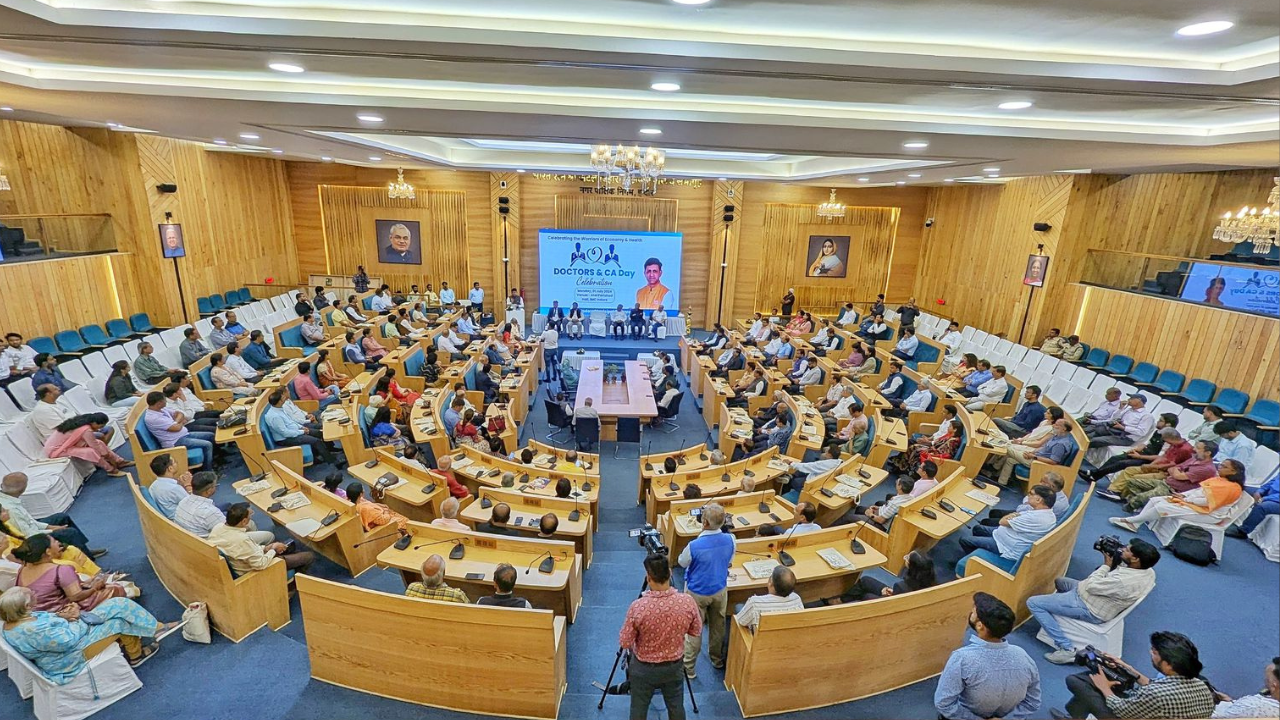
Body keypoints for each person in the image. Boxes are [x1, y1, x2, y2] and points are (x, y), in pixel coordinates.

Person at [1028, 538, 1161, 664]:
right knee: (1060, 582)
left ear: (1135, 559)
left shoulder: (1122, 582)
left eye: (1127, 550)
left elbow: (1091, 586)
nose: (1122, 549)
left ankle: (1066, 649)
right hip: (1096, 596)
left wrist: (1106, 565)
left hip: (1089, 607)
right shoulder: (1148, 571)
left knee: (1034, 603)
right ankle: (1059, 612)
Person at [1, 586, 179, 677]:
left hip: (70, 634)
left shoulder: (17, 619)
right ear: (25, 606)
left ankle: (155, 628)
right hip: (69, 656)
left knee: (117, 604)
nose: (34, 593)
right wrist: (77, 617)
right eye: (31, 594)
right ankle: (137, 655)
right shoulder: (30, 629)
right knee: (117, 622)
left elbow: (52, 629)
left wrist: (65, 616)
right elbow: (67, 642)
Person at [619, 553, 702, 720]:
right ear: (670, 573)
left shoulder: (638, 607)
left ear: (648, 578)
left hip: (643, 669)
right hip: (674, 667)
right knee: (676, 706)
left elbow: (625, 642)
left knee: (638, 709)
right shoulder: (687, 602)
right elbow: (696, 631)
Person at [934, 592, 1040, 720]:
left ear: (980, 626)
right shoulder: (1023, 655)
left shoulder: (961, 658)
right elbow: (1033, 702)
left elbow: (944, 704)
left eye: (973, 612)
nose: (971, 613)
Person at [1062, 631, 1214, 719]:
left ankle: (1075, 714)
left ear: (1168, 664)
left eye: (1155, 652)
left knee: (1076, 681)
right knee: (1109, 684)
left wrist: (1105, 688)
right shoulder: (1200, 685)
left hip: (1130, 714)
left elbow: (1120, 709)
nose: (1150, 653)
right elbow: (1156, 686)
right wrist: (1128, 668)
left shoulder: (1156, 695)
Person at [1110, 458, 1246, 533]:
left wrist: (1186, 499)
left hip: (1208, 514)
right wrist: (1183, 496)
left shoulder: (1232, 488)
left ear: (1233, 471)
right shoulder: (1219, 479)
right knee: (1156, 499)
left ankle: (1131, 521)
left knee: (1163, 506)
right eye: (1221, 464)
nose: (1219, 467)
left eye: (1224, 466)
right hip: (1193, 503)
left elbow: (1206, 502)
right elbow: (1197, 491)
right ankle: (1135, 524)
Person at [677, 502, 734, 676]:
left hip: (697, 592)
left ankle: (689, 668)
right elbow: (729, 560)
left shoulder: (694, 545)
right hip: (720, 589)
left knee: (694, 629)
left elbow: (682, 562)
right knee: (718, 626)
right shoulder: (731, 540)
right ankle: (716, 660)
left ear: (704, 523)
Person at [12, 534, 128, 611]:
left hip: (39, 614)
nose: (59, 543)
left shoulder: (23, 569)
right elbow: (75, 597)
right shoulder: (60, 570)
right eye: (55, 541)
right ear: (48, 551)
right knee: (115, 588)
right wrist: (95, 588)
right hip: (64, 612)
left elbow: (50, 590)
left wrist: (86, 583)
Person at [0, 472, 104, 557]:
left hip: (31, 527)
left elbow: (30, 521)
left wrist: (51, 526)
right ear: (22, 489)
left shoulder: (8, 498)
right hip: (31, 538)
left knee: (62, 517)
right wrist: (52, 529)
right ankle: (88, 559)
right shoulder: (11, 509)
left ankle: (84, 549)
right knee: (69, 533)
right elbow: (30, 534)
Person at [958, 484, 1056, 564]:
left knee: (964, 540)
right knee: (977, 529)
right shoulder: (1048, 514)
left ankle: (973, 563)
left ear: (1039, 500)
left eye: (1031, 494)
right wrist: (1014, 516)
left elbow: (1002, 521)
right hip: (1006, 535)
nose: (1028, 495)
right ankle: (978, 548)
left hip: (1006, 547)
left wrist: (1013, 515)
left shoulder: (1034, 518)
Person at [208, 503, 314, 574]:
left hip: (243, 561)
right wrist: (273, 549)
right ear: (244, 521)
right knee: (308, 556)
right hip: (254, 573)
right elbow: (260, 564)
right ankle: (290, 586)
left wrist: (266, 548)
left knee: (289, 549)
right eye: (249, 518)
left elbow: (247, 551)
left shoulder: (218, 527)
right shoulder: (241, 539)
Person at [1081, 412, 1182, 483]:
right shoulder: (1158, 432)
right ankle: (1094, 475)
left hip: (1148, 460)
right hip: (1141, 453)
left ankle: (1094, 475)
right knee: (1115, 458)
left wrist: (1139, 457)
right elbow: (1147, 443)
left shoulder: (1170, 438)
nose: (1158, 422)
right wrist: (1136, 449)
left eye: (1160, 421)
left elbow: (1160, 457)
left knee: (1122, 463)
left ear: (1168, 424)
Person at [263, 390, 341, 467]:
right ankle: (333, 462)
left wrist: (301, 427)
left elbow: (291, 421)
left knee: (319, 433)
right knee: (315, 441)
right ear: (279, 401)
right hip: (285, 439)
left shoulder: (280, 408)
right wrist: (302, 432)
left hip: (295, 430)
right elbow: (285, 433)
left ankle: (330, 449)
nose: (284, 397)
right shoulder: (275, 417)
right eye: (282, 397)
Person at [144, 391, 220, 468]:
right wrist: (181, 422)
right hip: (175, 441)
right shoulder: (153, 418)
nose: (166, 401)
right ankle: (208, 470)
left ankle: (216, 460)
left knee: (211, 435)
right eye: (164, 400)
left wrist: (176, 422)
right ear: (159, 403)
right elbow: (176, 428)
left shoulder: (161, 409)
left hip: (183, 434)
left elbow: (180, 413)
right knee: (207, 444)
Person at [833, 550, 936, 604]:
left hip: (893, 609)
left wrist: (887, 596)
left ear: (911, 566)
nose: (905, 558)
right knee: (866, 581)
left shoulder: (902, 586)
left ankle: (840, 603)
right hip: (903, 599)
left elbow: (894, 605)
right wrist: (893, 593)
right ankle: (841, 601)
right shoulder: (932, 582)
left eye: (907, 558)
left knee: (867, 596)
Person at [995, 418, 1077, 486]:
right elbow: (1043, 448)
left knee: (1007, 447)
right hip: (1035, 456)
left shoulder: (1060, 445)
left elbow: (1053, 461)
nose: (1053, 426)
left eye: (1057, 425)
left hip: (1039, 463)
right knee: (1010, 460)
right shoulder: (1057, 436)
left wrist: (1033, 457)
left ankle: (993, 467)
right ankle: (1001, 482)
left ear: (1064, 429)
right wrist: (1033, 453)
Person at [44, 413, 131, 477]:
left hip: (67, 444)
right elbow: (94, 446)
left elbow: (96, 443)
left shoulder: (85, 420)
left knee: (100, 443)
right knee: (90, 452)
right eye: (100, 426)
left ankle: (119, 461)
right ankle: (111, 470)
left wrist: (105, 453)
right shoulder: (86, 429)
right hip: (57, 450)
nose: (100, 428)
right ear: (94, 423)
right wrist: (105, 453)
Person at [733, 565, 802, 631]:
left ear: (770, 583)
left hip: (759, 642)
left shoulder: (755, 603)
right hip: (788, 640)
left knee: (739, 606)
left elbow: (740, 621)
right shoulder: (797, 599)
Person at [1211, 657, 1279, 718]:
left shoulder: (1256, 708)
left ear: (1274, 686)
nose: (1265, 683)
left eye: (1267, 680)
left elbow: (1215, 717)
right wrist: (1230, 701)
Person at [837, 476, 914, 528]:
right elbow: (888, 509)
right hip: (880, 513)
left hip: (879, 524)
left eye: (898, 482)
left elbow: (881, 520)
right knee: (860, 509)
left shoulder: (895, 504)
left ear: (900, 487)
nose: (896, 482)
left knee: (847, 517)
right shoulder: (911, 498)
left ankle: (829, 532)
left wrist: (870, 514)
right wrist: (878, 508)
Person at [1085, 393, 1154, 449]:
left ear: (1139, 400)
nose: (1128, 400)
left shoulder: (1147, 416)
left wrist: (1123, 428)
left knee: (1095, 440)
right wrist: (1120, 408)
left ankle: (1079, 454)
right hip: (1115, 431)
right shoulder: (1129, 410)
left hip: (1126, 438)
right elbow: (1114, 418)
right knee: (1090, 433)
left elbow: (1142, 432)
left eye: (1131, 398)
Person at [147, 454, 190, 520]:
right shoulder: (174, 488)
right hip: (181, 519)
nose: (177, 463)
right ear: (170, 468)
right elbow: (192, 503)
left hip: (166, 518)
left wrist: (181, 484)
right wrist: (188, 485)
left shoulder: (153, 486)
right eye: (175, 462)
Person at [1235, 472, 1279, 537]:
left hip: (1277, 500)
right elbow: (1271, 482)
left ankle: (1243, 531)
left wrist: (1265, 498)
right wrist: (1259, 492)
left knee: (1262, 507)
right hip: (1271, 495)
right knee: (1243, 488)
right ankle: (1226, 515)